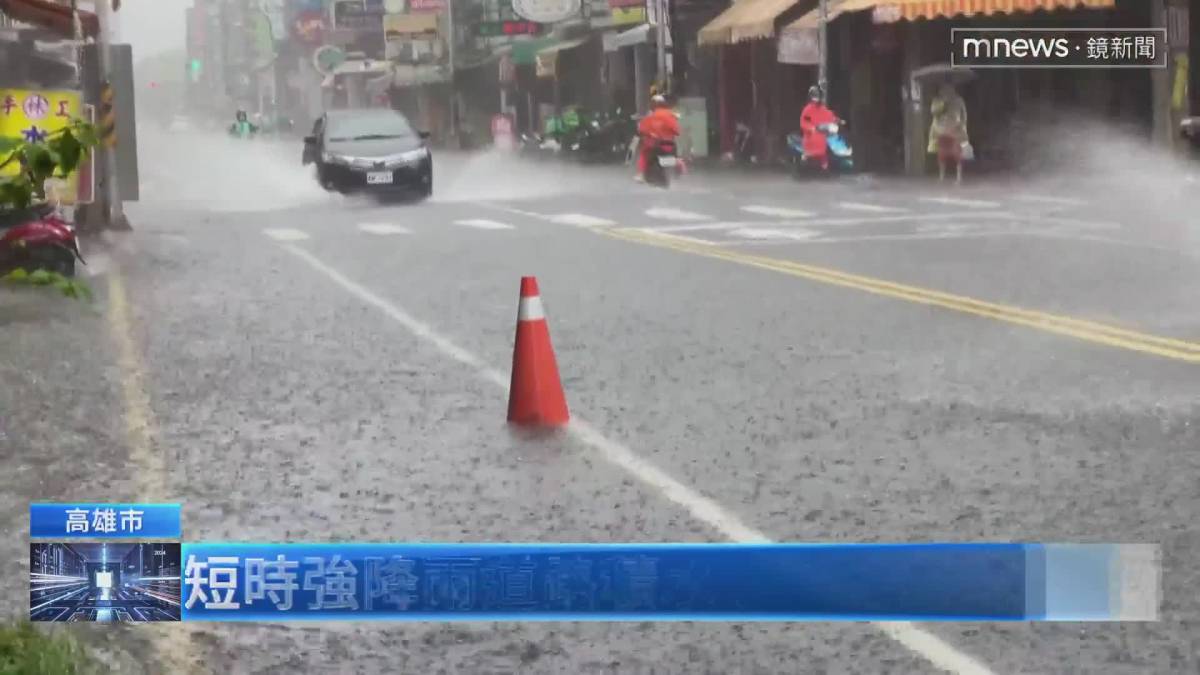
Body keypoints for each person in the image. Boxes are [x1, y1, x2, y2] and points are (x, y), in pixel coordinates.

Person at [928, 83, 969, 183]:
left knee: (957, 153)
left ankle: (959, 177)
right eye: (944, 89)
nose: (947, 91)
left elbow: (964, 114)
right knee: (942, 154)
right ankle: (941, 176)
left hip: (955, 129)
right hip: (941, 130)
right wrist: (943, 103)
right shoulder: (937, 100)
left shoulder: (959, 100)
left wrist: (962, 125)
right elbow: (933, 111)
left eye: (950, 89)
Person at [635, 95, 680, 182]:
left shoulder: (651, 115)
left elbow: (642, 129)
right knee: (676, 156)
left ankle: (641, 174)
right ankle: (678, 166)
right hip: (670, 144)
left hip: (656, 144)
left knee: (644, 153)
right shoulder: (670, 114)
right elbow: (677, 131)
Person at [799, 85, 837, 170]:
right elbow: (804, 122)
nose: (816, 98)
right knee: (807, 154)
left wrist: (837, 120)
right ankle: (802, 168)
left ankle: (825, 170)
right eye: (814, 96)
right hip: (810, 136)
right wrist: (811, 128)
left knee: (824, 154)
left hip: (822, 135)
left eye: (818, 96)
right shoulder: (807, 110)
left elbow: (830, 116)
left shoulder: (823, 109)